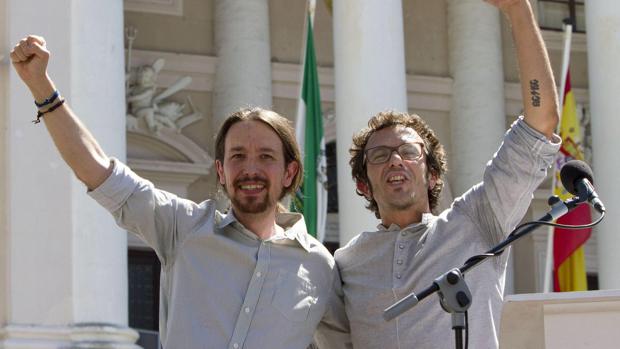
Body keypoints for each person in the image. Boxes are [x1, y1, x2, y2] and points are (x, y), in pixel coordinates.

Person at [10, 36, 349, 349]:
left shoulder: (320, 266)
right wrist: (41, 86)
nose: (250, 169)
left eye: (266, 157)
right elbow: (99, 171)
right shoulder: (183, 228)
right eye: (237, 157)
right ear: (221, 171)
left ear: (290, 172)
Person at [332, 0, 561, 348]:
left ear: (434, 175)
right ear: (364, 184)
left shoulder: (478, 222)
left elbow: (540, 123)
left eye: (409, 152)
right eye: (379, 155)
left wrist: (518, 10)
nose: (395, 160)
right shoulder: (345, 263)